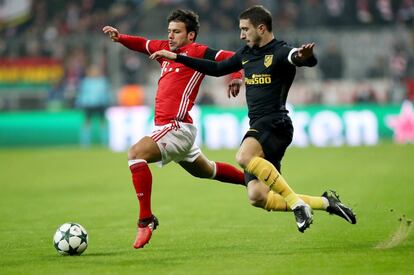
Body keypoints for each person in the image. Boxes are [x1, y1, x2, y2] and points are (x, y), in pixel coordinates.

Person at [150, 5, 357, 233]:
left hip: (276, 123)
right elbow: (218, 68)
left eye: (245, 29)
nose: (241, 34)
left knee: (243, 156)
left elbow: (299, 57)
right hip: (259, 126)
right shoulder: (246, 54)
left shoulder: (280, 51)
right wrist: (177, 57)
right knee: (258, 197)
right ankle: (327, 203)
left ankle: (298, 205)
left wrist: (305, 57)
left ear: (261, 28)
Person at [102, 9, 246, 249]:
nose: (170, 36)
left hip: (175, 126)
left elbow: (233, 56)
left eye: (176, 32)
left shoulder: (197, 52)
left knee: (135, 155)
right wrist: (121, 38)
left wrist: (237, 75)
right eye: (169, 31)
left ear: (191, 35)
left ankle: (145, 219)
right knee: (206, 170)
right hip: (172, 129)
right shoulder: (164, 51)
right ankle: (249, 180)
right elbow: (143, 44)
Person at [76, 64, 111, 147]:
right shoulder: (86, 81)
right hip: (89, 104)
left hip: (100, 104)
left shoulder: (103, 80)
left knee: (102, 122)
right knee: (87, 123)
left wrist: (107, 101)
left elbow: (106, 93)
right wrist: (80, 103)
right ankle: (85, 143)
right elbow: (82, 93)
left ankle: (105, 142)